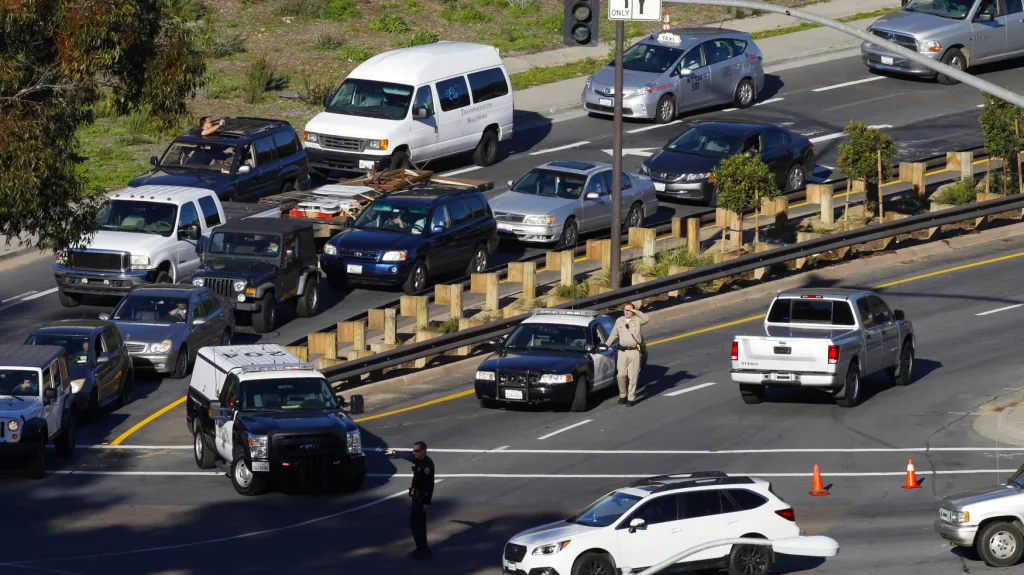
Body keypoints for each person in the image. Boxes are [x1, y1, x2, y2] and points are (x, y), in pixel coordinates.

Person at [385, 442, 435, 559]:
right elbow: (407, 456)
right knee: (416, 523)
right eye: (414, 451)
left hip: (421, 499)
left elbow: (429, 485)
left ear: (424, 451)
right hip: (416, 497)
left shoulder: (426, 465)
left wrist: (426, 502)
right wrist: (394, 452)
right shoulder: (419, 460)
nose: (414, 453)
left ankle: (422, 549)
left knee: (416, 524)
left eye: (417, 451)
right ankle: (422, 547)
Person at [605, 303, 650, 406]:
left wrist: (635, 312)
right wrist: (606, 345)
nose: (626, 312)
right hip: (622, 352)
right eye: (625, 310)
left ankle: (631, 397)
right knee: (621, 375)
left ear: (633, 311)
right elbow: (613, 335)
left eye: (629, 310)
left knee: (633, 376)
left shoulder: (637, 320)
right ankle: (623, 395)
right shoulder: (619, 320)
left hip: (634, 351)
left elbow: (646, 318)